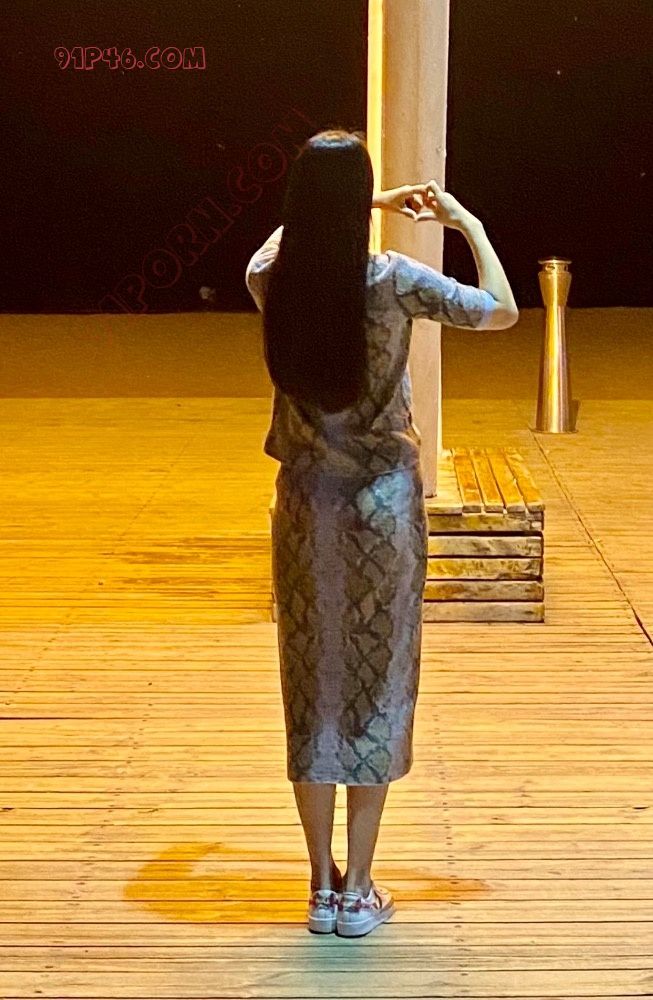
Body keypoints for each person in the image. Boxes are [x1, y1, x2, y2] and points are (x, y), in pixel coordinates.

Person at [244, 128, 518, 937]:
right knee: (376, 687)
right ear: (358, 202)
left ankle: (318, 886)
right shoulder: (393, 280)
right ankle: (359, 888)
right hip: (381, 511)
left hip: (305, 509)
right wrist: (464, 223)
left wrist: (351, 199)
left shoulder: (273, 277)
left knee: (311, 688)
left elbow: (290, 232)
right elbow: (499, 311)